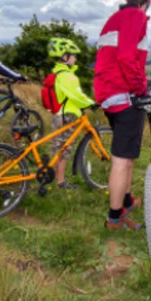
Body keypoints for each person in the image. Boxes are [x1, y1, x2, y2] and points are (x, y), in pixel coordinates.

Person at [94, 0, 151, 230]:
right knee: (121, 158)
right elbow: (128, 58)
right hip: (124, 94)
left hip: (108, 93)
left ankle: (127, 199)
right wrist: (141, 89)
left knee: (128, 153)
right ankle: (115, 217)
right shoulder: (136, 16)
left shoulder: (115, 18)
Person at [47, 37, 95, 190]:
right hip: (66, 115)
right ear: (65, 57)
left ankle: (54, 177)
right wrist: (91, 103)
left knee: (58, 146)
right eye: (73, 55)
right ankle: (61, 182)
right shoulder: (68, 76)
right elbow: (77, 96)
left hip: (58, 114)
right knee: (64, 148)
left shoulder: (58, 73)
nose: (75, 58)